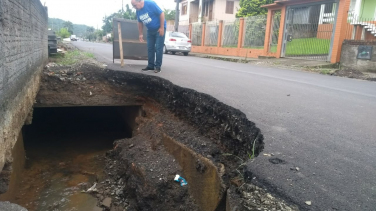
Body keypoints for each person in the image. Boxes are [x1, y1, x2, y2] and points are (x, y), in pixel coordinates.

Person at [132, 0, 166, 73]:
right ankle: (151, 66)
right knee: (150, 48)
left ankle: (158, 67)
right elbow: (139, 22)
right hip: (150, 30)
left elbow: (161, 13)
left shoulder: (150, 4)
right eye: (133, 6)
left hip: (159, 29)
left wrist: (162, 27)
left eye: (134, 5)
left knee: (158, 48)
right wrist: (140, 34)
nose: (134, 7)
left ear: (140, 1)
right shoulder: (138, 10)